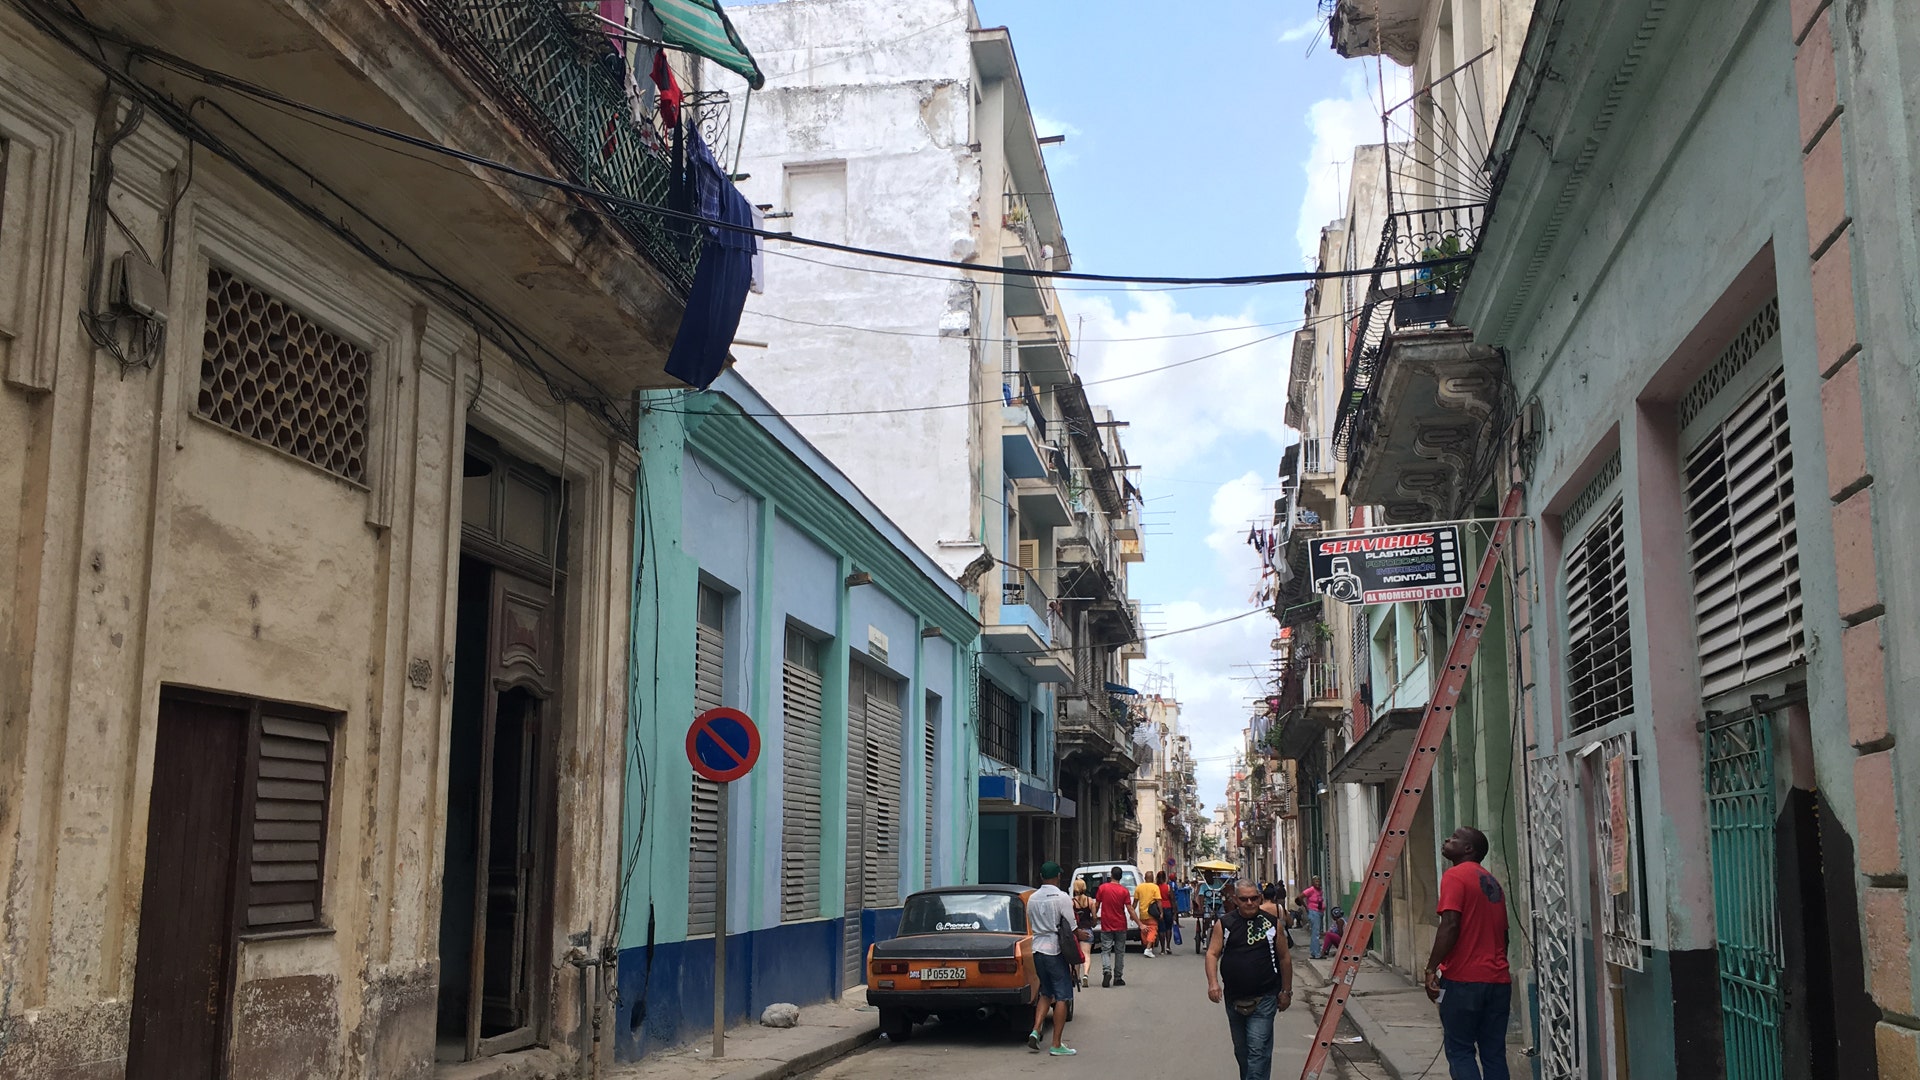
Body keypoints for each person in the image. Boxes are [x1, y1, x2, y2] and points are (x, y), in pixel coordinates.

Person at [1424, 827, 1512, 1080]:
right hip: (1497, 980)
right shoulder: (1492, 882)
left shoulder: (1455, 876)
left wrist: (1431, 968)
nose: (1446, 839)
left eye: (1454, 838)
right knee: (1494, 1053)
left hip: (1464, 981)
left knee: (1460, 1050)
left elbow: (1450, 924)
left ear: (1468, 849)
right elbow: (1503, 936)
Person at [1206, 881, 1293, 1080]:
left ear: (1260, 898)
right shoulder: (1225, 924)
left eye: (1254, 898)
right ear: (1236, 900)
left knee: (1257, 1050)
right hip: (1234, 998)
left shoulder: (1272, 923)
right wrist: (1213, 983)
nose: (1250, 902)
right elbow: (1212, 953)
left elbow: (1284, 958)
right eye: (1244, 899)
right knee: (1242, 1052)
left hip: (1265, 997)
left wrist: (1286, 991)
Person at [1024, 862, 1079, 1056]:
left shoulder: (1032, 899)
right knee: (1063, 995)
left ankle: (1036, 1029)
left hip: (1037, 949)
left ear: (1040, 877)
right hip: (1054, 950)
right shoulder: (1062, 897)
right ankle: (1056, 1044)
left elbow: (1031, 922)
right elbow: (1072, 927)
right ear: (1057, 877)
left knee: (1046, 993)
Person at [1094, 866, 1132, 987]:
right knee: (1120, 952)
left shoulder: (1102, 888)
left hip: (1107, 924)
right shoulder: (1124, 891)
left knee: (1106, 950)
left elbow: (1096, 904)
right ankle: (1118, 977)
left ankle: (1106, 970)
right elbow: (1130, 909)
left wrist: (1094, 918)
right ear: (1120, 877)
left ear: (1111, 875)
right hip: (1121, 924)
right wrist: (1139, 923)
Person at [1071, 878, 1098, 989]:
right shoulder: (1090, 901)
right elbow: (1095, 917)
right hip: (1087, 930)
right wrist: (1093, 924)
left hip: (1076, 931)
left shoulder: (1071, 902)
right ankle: (1085, 975)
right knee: (1086, 954)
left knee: (1077, 955)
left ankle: (1076, 976)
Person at [1136, 871, 1164, 957]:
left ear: (1144, 878)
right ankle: (1148, 949)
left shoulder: (1139, 887)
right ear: (1152, 878)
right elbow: (1158, 901)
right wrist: (1161, 912)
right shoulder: (1155, 887)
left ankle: (1147, 948)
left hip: (1142, 914)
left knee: (1144, 931)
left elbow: (1135, 901)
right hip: (1152, 913)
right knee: (1153, 930)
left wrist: (1132, 912)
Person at [1300, 876, 1325, 959]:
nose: (1317, 883)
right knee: (1316, 934)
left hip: (1319, 912)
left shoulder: (1319, 890)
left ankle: (1314, 952)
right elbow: (1300, 897)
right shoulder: (1310, 890)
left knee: (1316, 933)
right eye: (1316, 881)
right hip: (1313, 912)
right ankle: (1317, 953)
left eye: (1318, 881)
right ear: (1313, 882)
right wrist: (1306, 907)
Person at [1156, 870, 1178, 953]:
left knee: (1161, 929)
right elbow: (1172, 899)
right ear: (1165, 878)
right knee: (1168, 928)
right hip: (1168, 908)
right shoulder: (1168, 887)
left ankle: (1162, 949)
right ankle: (1168, 946)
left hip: (1159, 909)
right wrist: (1175, 912)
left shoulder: (1156, 887)